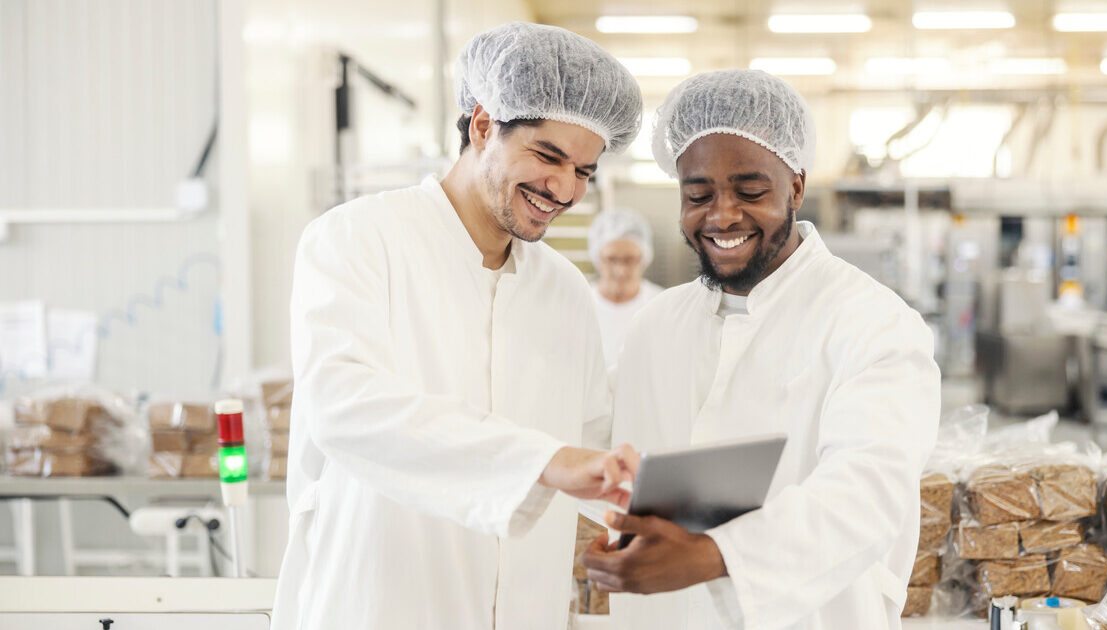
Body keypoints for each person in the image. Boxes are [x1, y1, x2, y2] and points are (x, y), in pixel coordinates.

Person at [271, 22, 642, 630]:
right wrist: (543, 461)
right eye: (548, 156)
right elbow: (345, 407)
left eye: (584, 171)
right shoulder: (358, 240)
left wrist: (641, 519)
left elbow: (592, 445)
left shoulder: (565, 291)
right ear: (482, 125)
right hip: (378, 605)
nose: (565, 188)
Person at [582, 69, 941, 629]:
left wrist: (714, 557)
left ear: (796, 185)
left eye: (750, 192)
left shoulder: (872, 323)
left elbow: (869, 490)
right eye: (698, 195)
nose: (722, 215)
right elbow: (598, 450)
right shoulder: (656, 326)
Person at [588, 209, 663, 368]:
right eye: (612, 259)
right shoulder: (581, 304)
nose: (620, 271)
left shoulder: (662, 305)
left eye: (629, 260)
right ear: (597, 257)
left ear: (644, 258)